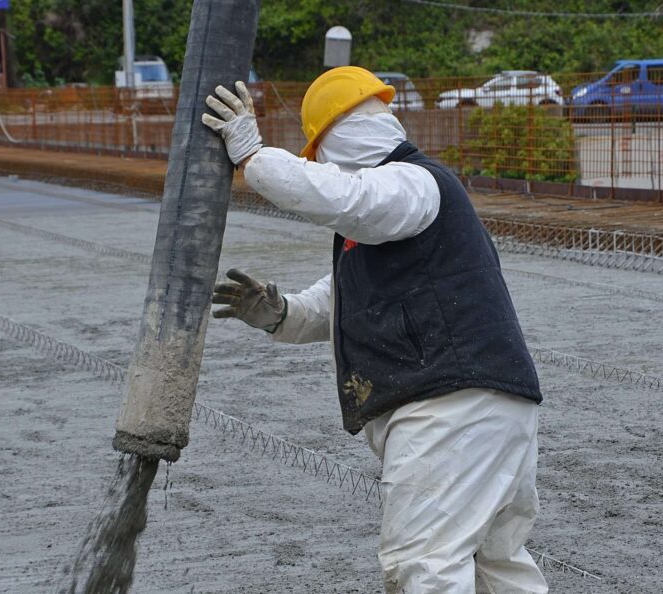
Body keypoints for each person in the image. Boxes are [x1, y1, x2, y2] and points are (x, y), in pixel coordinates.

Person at [202, 66, 548, 594]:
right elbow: (336, 301)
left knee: (424, 563)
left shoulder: (413, 183)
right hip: (489, 409)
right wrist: (279, 313)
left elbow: (347, 198)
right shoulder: (383, 221)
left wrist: (252, 155)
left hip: (452, 410)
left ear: (331, 145)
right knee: (495, 564)